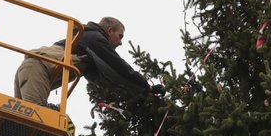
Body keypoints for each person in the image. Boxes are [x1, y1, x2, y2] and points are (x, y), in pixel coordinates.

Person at [13, 16, 163, 106]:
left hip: (32, 69)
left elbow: (103, 79)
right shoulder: (95, 38)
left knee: (22, 124)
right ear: (109, 31)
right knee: (36, 118)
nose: (121, 42)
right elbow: (118, 67)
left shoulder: (86, 50)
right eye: (120, 36)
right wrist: (145, 87)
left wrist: (134, 95)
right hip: (37, 67)